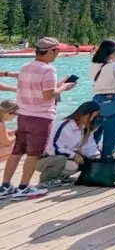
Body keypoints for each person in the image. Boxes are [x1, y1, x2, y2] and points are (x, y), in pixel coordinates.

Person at [0, 37, 76, 199]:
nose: (58, 54)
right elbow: (49, 95)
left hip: (24, 115)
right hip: (41, 117)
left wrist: (59, 85)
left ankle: (5, 186)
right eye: (57, 51)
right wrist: (64, 87)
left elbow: (37, 89)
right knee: (33, 154)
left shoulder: (26, 67)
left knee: (17, 151)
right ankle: (24, 187)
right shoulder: (48, 70)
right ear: (50, 51)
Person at [38, 102, 101, 184]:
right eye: (92, 116)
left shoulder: (84, 129)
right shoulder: (64, 125)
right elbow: (51, 148)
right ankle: (46, 179)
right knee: (63, 160)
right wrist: (73, 155)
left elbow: (89, 148)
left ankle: (61, 176)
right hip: (43, 159)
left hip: (60, 156)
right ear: (85, 113)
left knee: (80, 162)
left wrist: (97, 158)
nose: (92, 119)